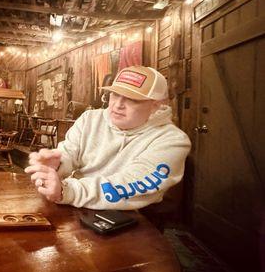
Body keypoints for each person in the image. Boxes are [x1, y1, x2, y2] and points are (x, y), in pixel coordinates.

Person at [25, 65, 191, 210]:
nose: (118, 105)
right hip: (75, 205)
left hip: (132, 219)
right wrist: (57, 164)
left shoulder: (173, 140)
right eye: (114, 95)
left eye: (132, 99)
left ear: (156, 105)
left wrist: (67, 191)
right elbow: (69, 152)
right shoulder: (90, 118)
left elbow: (132, 182)